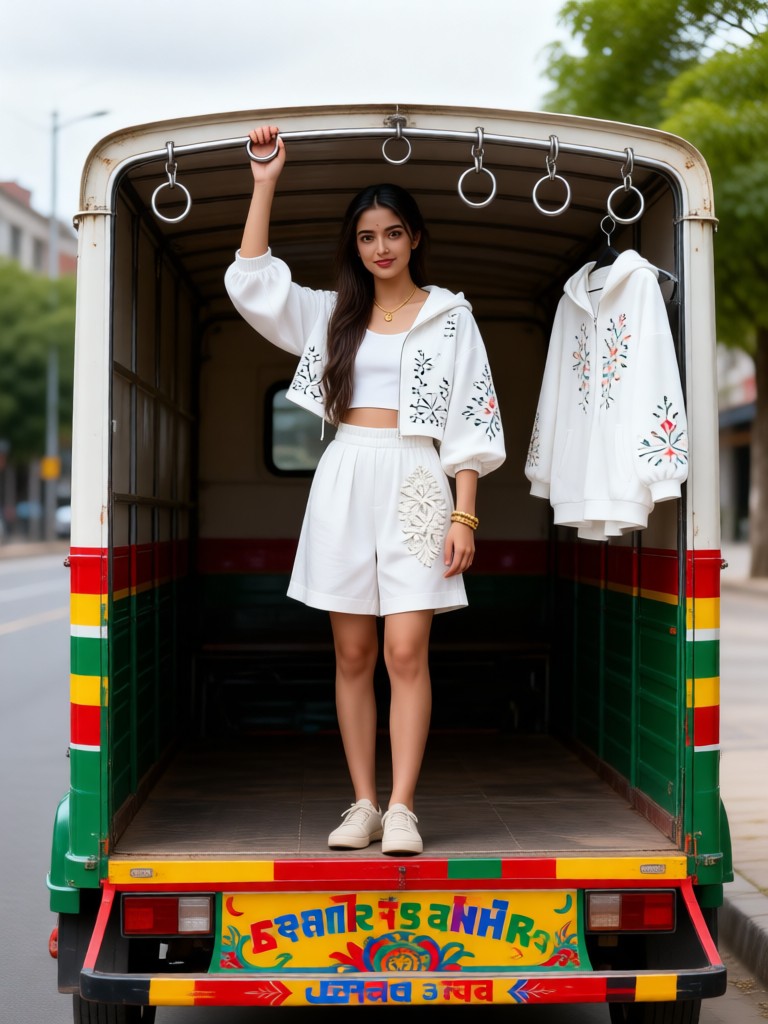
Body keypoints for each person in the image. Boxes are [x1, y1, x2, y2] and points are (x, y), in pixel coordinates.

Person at [225, 125, 505, 856]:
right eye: (367, 236)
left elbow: (472, 418)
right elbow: (252, 282)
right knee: (352, 654)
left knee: (406, 651)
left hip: (419, 477)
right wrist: (265, 182)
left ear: (415, 239)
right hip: (346, 474)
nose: (380, 247)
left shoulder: (451, 318)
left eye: (393, 234)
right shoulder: (330, 314)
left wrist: (466, 512)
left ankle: (405, 808)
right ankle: (363, 803)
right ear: (356, 245)